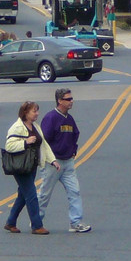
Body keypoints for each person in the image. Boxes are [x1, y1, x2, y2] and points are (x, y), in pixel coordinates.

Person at [37, 88, 91, 233]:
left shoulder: (70, 119)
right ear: (60, 101)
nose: (71, 101)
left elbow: (75, 134)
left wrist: (73, 151)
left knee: (75, 192)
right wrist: (50, 159)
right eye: (68, 99)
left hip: (68, 162)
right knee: (44, 194)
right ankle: (37, 221)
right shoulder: (51, 118)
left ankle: (76, 222)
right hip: (53, 164)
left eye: (71, 98)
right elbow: (43, 141)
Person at [4, 101, 58, 234]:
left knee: (23, 195)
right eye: (34, 111)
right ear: (25, 113)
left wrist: (53, 160)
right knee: (32, 194)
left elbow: (44, 144)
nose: (37, 114)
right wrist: (25, 142)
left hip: (31, 166)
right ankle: (37, 225)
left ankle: (10, 222)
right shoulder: (17, 127)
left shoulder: (35, 126)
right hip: (20, 166)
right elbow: (9, 146)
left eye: (37, 111)